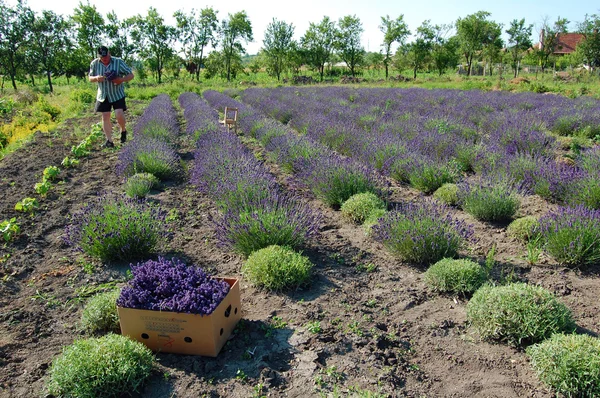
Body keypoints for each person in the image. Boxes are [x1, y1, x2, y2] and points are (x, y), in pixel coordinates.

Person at [89, 46, 134, 148]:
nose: (104, 59)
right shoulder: (94, 63)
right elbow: (90, 78)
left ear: (109, 53)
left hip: (117, 93)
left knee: (118, 114)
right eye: (102, 57)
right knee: (105, 116)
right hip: (103, 95)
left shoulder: (118, 62)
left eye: (106, 56)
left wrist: (120, 80)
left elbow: (131, 75)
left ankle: (123, 130)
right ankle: (109, 141)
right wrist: (96, 78)